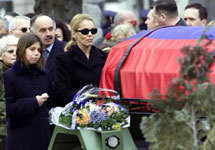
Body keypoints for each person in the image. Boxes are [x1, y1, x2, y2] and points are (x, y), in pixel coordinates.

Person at [3, 33, 52, 150]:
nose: (36, 53)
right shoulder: (10, 76)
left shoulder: (44, 75)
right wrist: (34, 102)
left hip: (42, 135)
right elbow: (9, 108)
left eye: (39, 50)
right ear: (22, 50)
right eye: (32, 49)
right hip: (21, 137)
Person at [54, 14, 107, 106]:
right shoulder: (63, 60)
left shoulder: (103, 56)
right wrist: (86, 95)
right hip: (75, 112)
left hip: (101, 109)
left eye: (93, 31)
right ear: (74, 34)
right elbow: (62, 93)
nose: (90, 34)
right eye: (85, 31)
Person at [30, 14, 66, 81]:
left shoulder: (66, 50)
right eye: (43, 30)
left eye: (51, 29)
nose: (48, 34)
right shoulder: (26, 52)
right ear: (32, 32)